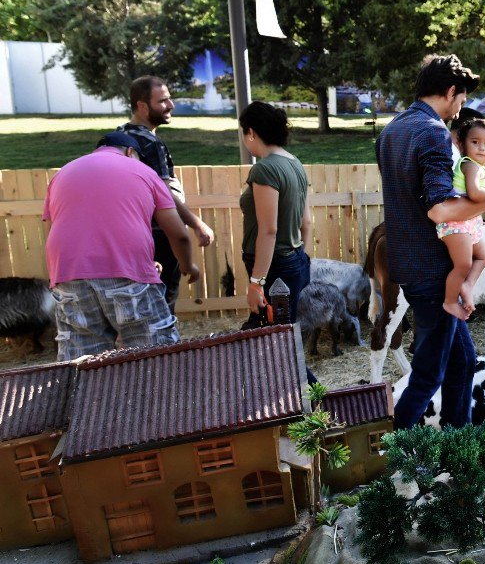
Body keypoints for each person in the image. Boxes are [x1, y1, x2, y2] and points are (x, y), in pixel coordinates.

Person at [376, 54, 485, 430]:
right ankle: (399, 452)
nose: (460, 109)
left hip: (406, 263)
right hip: (434, 272)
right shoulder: (433, 131)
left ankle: (459, 440)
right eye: (460, 100)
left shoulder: (392, 129)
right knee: (428, 373)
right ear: (451, 91)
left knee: (463, 362)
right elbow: (440, 208)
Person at [43, 132, 200, 361]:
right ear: (130, 152)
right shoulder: (144, 171)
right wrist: (188, 266)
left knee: (82, 358)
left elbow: (61, 230)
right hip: (125, 271)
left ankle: (87, 397)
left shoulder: (63, 174)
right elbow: (179, 234)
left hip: (67, 273)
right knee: (154, 352)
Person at [118, 76, 214, 314]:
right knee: (162, 305)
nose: (171, 105)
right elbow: (165, 194)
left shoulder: (117, 138)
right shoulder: (150, 143)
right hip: (159, 235)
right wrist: (197, 224)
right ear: (142, 106)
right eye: (163, 101)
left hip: (126, 234)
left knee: (135, 305)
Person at [239, 101, 312, 326]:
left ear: (250, 132)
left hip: (274, 267)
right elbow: (307, 221)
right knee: (282, 330)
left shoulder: (265, 169)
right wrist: (302, 260)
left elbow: (269, 230)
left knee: (272, 337)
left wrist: (256, 283)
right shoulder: (295, 163)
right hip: (295, 258)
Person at [437, 118, 485, 318]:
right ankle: (450, 301)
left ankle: (467, 285)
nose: (481, 148)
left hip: (468, 222)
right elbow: (474, 193)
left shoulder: (479, 167)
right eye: (475, 142)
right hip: (456, 223)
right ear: (462, 144)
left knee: (483, 255)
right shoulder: (469, 165)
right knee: (463, 264)